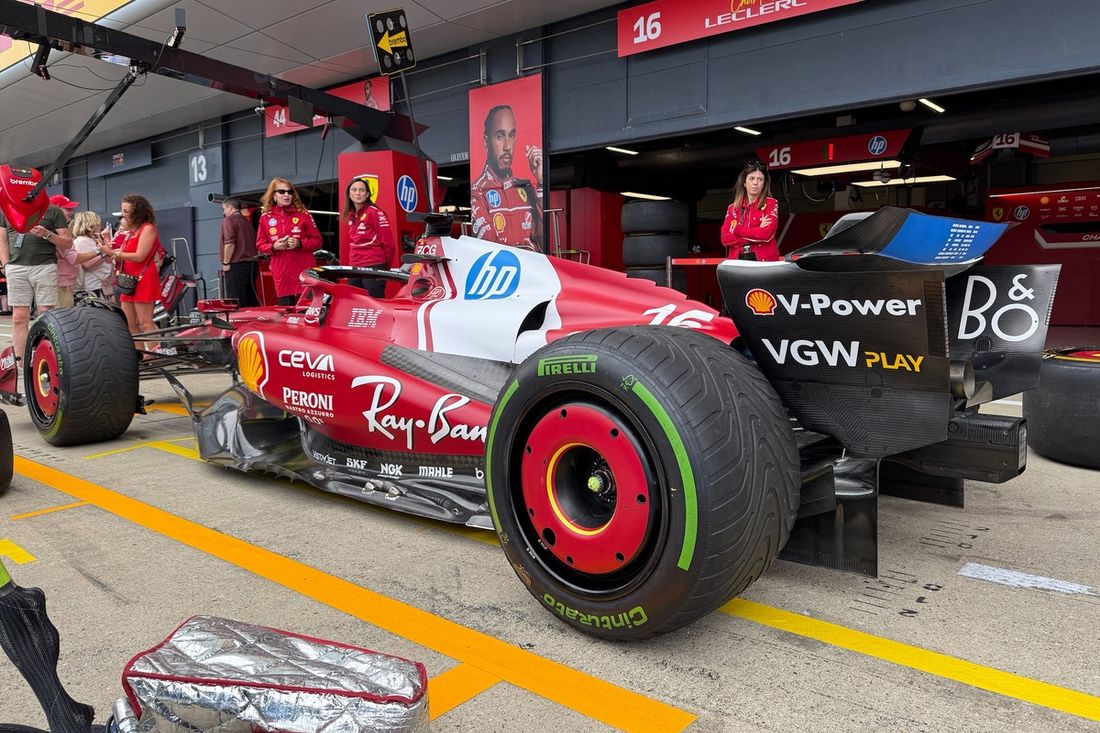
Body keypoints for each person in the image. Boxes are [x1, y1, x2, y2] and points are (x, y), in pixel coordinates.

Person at [0, 195, 74, 366]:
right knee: (19, 316)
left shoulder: (53, 211)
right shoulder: (6, 210)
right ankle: (21, 362)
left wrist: (47, 234)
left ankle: (46, 357)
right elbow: (2, 240)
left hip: (45, 266)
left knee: (46, 314)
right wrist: (6, 265)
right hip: (16, 268)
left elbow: (68, 243)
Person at [469, 104, 544, 251]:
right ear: (486, 142)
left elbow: (544, 243)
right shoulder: (477, 192)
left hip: (530, 271)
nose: (507, 146)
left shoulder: (526, 188)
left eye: (511, 135)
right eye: (500, 136)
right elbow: (490, 248)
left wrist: (541, 183)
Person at [98, 194, 162, 352]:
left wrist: (113, 253)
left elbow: (140, 255)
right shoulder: (132, 232)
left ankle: (155, 352)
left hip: (143, 278)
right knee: (130, 321)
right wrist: (111, 251)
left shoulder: (147, 229)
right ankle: (139, 353)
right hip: (129, 280)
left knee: (145, 321)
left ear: (137, 211)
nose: (123, 214)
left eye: (126, 211)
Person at [255, 178, 322, 306]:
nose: (286, 195)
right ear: (274, 195)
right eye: (282, 191)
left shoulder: (303, 214)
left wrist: (299, 244)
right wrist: (274, 246)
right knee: (286, 312)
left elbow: (317, 241)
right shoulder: (265, 217)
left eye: (289, 192)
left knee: (308, 309)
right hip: (282, 271)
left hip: (304, 270)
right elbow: (260, 245)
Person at [343, 177, 396, 297]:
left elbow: (389, 244)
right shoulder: (351, 215)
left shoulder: (374, 212)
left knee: (375, 305)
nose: (358, 193)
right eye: (354, 190)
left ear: (367, 194)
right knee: (356, 305)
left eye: (362, 190)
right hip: (354, 267)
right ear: (349, 194)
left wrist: (383, 269)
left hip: (373, 266)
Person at [721, 161, 781, 262]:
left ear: (764, 184)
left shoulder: (771, 203)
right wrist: (756, 231)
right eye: (751, 178)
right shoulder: (732, 208)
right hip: (737, 261)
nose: (755, 183)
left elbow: (766, 234)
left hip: (763, 262)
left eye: (760, 179)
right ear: (744, 182)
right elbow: (725, 238)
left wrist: (737, 230)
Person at [219, 197, 259, 307]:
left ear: (230, 208)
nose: (224, 212)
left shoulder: (229, 220)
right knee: (250, 299)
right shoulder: (247, 222)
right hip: (252, 265)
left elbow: (230, 243)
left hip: (237, 265)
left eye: (224, 209)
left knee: (235, 301)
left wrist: (226, 263)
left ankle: (238, 324)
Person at [69, 210, 114, 299]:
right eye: (97, 223)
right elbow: (86, 264)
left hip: (101, 284)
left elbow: (109, 258)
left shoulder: (93, 239)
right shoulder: (82, 241)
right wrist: (103, 253)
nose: (100, 226)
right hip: (93, 286)